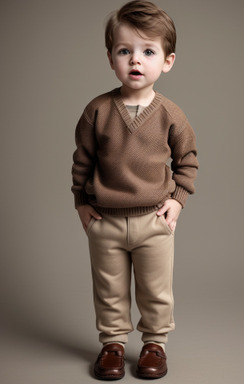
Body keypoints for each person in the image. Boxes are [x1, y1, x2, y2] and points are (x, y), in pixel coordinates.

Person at [71, 0, 198, 380]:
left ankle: (154, 344)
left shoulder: (170, 114)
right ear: (111, 59)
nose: (135, 60)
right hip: (105, 220)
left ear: (167, 61)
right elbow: (82, 161)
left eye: (147, 51)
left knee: (156, 290)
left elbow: (187, 161)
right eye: (124, 51)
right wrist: (81, 203)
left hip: (152, 220)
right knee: (109, 289)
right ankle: (112, 344)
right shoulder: (97, 111)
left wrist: (178, 201)